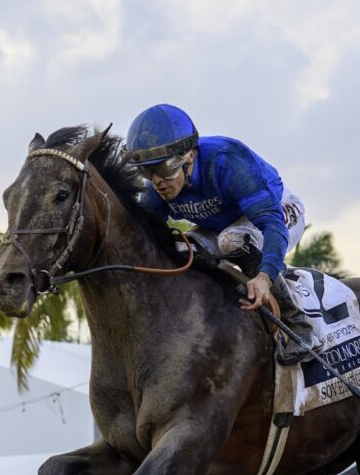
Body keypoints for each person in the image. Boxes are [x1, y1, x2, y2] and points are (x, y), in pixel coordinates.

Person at [126, 104, 322, 363]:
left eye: (163, 169)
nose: (157, 181)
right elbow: (144, 240)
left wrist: (264, 277)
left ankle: (300, 328)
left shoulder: (228, 160)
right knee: (182, 250)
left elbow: (271, 224)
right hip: (222, 226)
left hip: (275, 212)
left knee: (231, 240)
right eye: (147, 172)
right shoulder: (156, 188)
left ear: (189, 156)